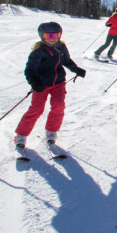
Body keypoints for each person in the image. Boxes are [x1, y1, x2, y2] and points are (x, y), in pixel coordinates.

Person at [14, 21, 86, 151]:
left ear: (60, 35)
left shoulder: (61, 47)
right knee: (36, 109)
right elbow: (30, 70)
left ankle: (51, 132)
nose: (52, 39)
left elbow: (66, 61)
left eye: (55, 36)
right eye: (49, 36)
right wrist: (34, 82)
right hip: (42, 84)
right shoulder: (38, 52)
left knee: (58, 106)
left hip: (58, 82)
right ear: (42, 36)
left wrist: (76, 69)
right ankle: (21, 135)